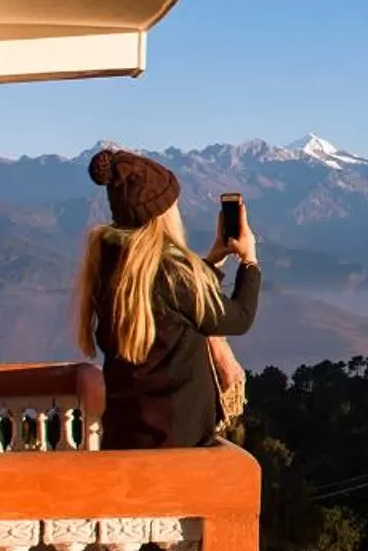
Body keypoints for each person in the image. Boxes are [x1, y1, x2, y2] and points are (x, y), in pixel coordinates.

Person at [71, 147, 261, 449]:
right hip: (179, 446)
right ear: (162, 215)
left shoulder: (108, 266)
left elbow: (175, 308)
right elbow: (238, 318)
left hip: (124, 439)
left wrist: (212, 260)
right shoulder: (173, 273)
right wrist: (250, 262)